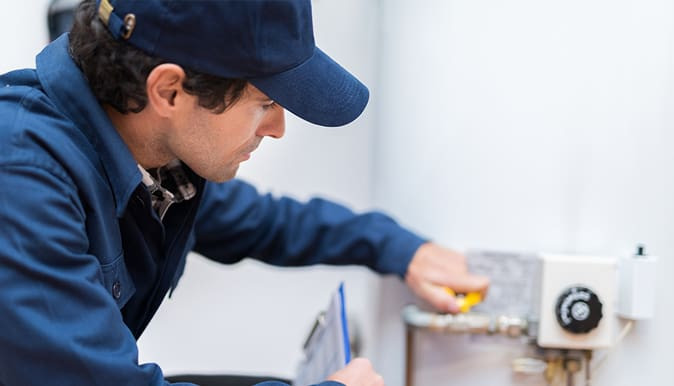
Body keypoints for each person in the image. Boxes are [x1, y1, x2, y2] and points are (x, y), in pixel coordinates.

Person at [0, 0, 489, 385]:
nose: (277, 128)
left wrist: (400, 248)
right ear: (169, 91)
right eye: (266, 102)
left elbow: (265, 222)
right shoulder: (21, 175)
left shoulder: (150, 161)